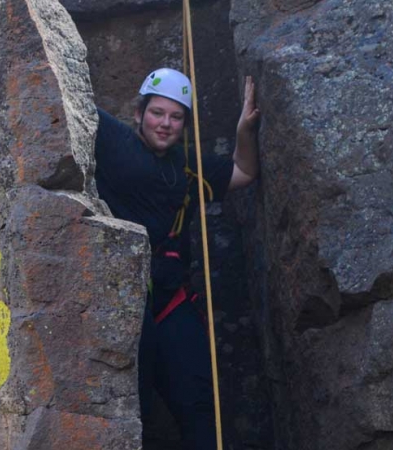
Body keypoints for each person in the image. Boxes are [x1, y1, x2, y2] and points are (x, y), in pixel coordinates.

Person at [94, 68, 260, 449]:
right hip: (123, 301)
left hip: (170, 301)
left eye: (175, 116)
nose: (165, 124)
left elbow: (244, 171)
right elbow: (67, 103)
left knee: (201, 406)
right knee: (133, 410)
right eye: (157, 113)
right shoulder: (112, 140)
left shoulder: (186, 166)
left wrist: (244, 130)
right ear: (139, 113)